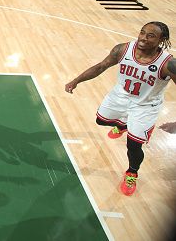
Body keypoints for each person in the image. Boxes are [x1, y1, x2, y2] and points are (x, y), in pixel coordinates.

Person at [65, 22, 175, 196]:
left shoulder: (168, 64)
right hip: (121, 96)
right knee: (100, 120)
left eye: (151, 36)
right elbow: (101, 66)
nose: (143, 38)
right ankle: (124, 126)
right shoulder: (122, 50)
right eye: (142, 32)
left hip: (146, 105)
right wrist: (76, 80)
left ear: (162, 39)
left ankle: (132, 172)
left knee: (134, 145)